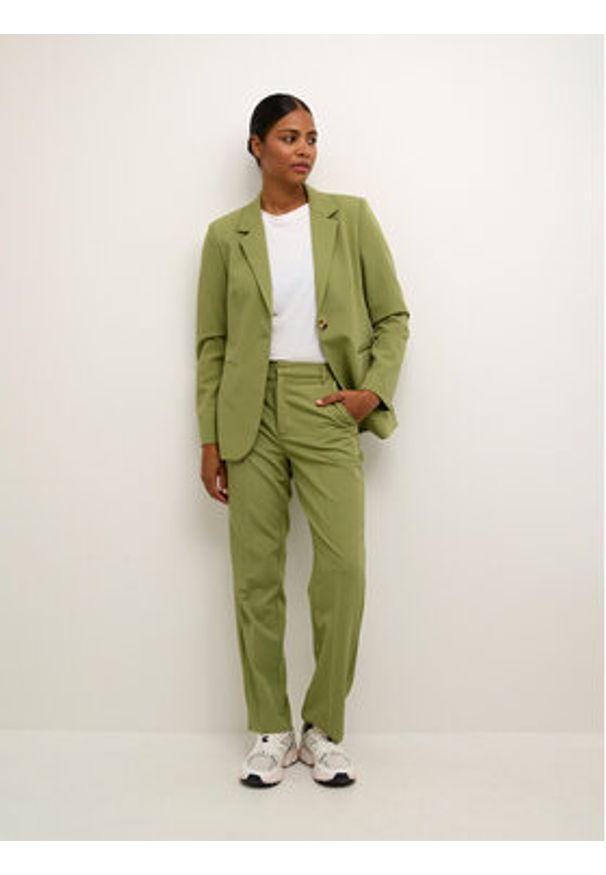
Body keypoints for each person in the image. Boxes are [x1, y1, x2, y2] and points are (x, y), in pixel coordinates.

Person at [195, 93, 411, 788]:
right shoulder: (225, 236)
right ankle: (270, 727)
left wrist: (370, 392)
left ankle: (323, 728)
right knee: (255, 577)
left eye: (312, 138)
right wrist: (210, 438)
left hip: (326, 403)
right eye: (289, 137)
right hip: (249, 412)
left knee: (343, 570)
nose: (305, 150)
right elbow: (212, 344)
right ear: (256, 146)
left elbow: (393, 317)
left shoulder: (350, 218)